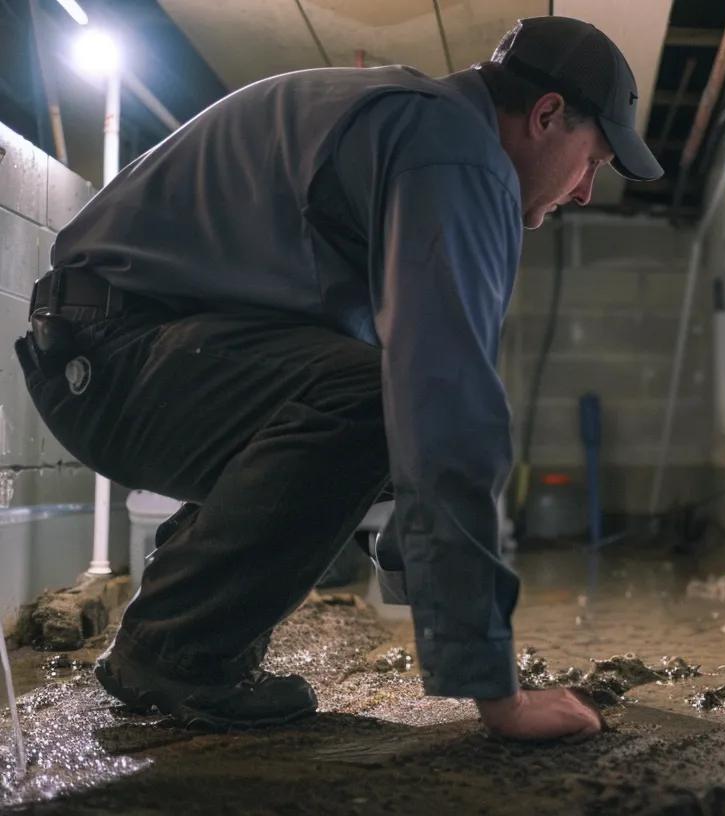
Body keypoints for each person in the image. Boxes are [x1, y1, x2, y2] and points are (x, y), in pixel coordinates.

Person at [13, 16, 661, 740]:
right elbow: (439, 403)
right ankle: (176, 648)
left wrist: (419, 560)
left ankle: (181, 616)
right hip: (114, 355)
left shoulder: (422, 129)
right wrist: (496, 690)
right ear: (546, 116)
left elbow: (412, 420)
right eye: (593, 162)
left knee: (382, 402)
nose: (583, 192)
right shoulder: (456, 151)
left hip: (119, 348)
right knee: (390, 399)